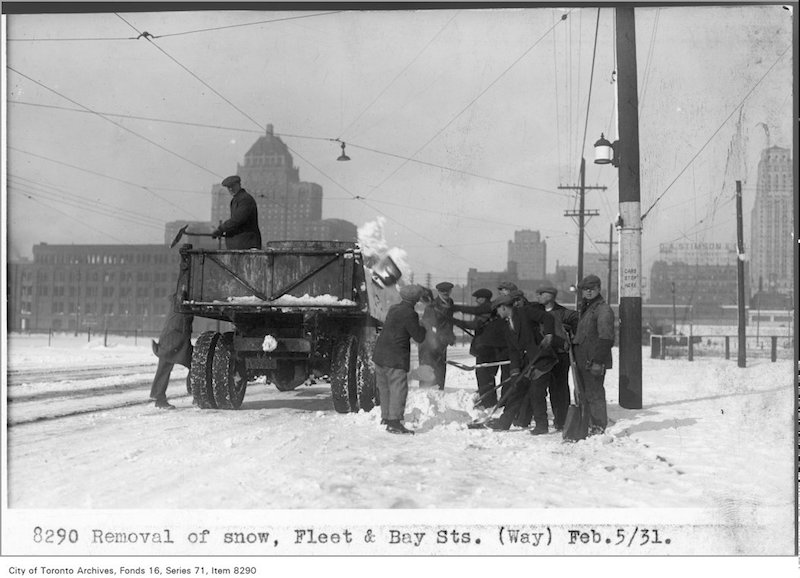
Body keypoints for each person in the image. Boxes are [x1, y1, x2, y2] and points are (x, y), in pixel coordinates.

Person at [485, 294, 558, 434]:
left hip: (541, 359)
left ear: (504, 307)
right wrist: (515, 371)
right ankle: (504, 422)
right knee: (516, 391)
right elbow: (513, 350)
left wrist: (549, 334)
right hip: (525, 364)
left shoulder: (524, 312)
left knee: (536, 393)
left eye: (498, 310)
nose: (498, 313)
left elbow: (547, 317)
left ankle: (542, 426)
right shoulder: (507, 326)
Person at [372, 284, 427, 434]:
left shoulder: (394, 309)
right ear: (416, 299)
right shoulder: (410, 314)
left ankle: (386, 417)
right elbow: (419, 336)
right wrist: (423, 326)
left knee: (384, 389)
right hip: (395, 357)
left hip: (380, 354)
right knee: (398, 389)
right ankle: (394, 422)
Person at [572, 274, 615, 435]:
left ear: (599, 289)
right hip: (582, 359)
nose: (589, 292)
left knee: (594, 392)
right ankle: (588, 423)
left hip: (594, 360)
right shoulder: (587, 308)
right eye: (585, 289)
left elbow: (606, 337)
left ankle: (598, 426)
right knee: (584, 392)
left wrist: (598, 361)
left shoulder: (603, 309)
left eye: (592, 289)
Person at [452, 288, 508, 407]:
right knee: (488, 375)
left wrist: (454, 320)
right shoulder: (492, 310)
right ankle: (489, 401)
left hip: (487, 348)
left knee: (483, 375)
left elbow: (474, 325)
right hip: (494, 348)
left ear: (483, 298)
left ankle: (488, 402)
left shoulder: (487, 309)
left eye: (478, 298)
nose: (477, 301)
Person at [536, 284, 579, 431]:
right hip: (544, 355)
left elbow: (577, 319)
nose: (539, 296)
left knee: (559, 388)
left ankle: (561, 420)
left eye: (542, 294)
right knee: (541, 388)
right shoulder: (537, 312)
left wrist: (569, 340)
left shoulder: (562, 313)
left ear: (550, 296)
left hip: (560, 355)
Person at [149, 292, 194, 409]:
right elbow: (183, 325)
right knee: (195, 363)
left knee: (164, 368)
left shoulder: (177, 304)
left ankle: (159, 397)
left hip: (171, 339)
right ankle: (195, 393)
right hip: (175, 340)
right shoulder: (182, 305)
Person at [417, 281, 456, 390]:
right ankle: (426, 394)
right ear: (438, 292)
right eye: (443, 291)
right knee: (429, 368)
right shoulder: (431, 306)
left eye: (447, 291)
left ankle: (439, 390)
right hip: (429, 343)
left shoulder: (450, 303)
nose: (445, 293)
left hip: (442, 342)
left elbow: (449, 322)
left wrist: (450, 335)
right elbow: (427, 324)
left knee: (440, 368)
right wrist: (439, 335)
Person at [211, 175, 262, 249]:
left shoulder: (245, 199)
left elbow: (238, 219)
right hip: (240, 244)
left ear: (239, 185)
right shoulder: (237, 200)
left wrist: (221, 229)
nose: (231, 189)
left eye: (233, 186)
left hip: (246, 244)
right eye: (228, 187)